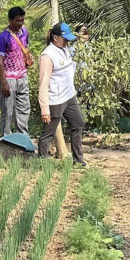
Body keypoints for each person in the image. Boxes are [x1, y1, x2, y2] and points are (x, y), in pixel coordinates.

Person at [38, 22, 87, 165]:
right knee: (48, 132)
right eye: (64, 39)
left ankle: (78, 161)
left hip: (69, 96)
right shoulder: (47, 56)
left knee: (78, 124)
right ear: (55, 37)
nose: (67, 42)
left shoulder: (64, 49)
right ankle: (42, 162)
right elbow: (43, 84)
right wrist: (44, 109)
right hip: (55, 100)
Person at [0, 7, 33, 136]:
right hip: (9, 78)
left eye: (22, 20)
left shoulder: (24, 32)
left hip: (22, 76)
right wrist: (3, 81)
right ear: (10, 20)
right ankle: (6, 136)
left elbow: (25, 49)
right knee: (7, 110)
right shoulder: (3, 37)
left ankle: (23, 137)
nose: (20, 23)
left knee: (23, 109)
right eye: (17, 21)